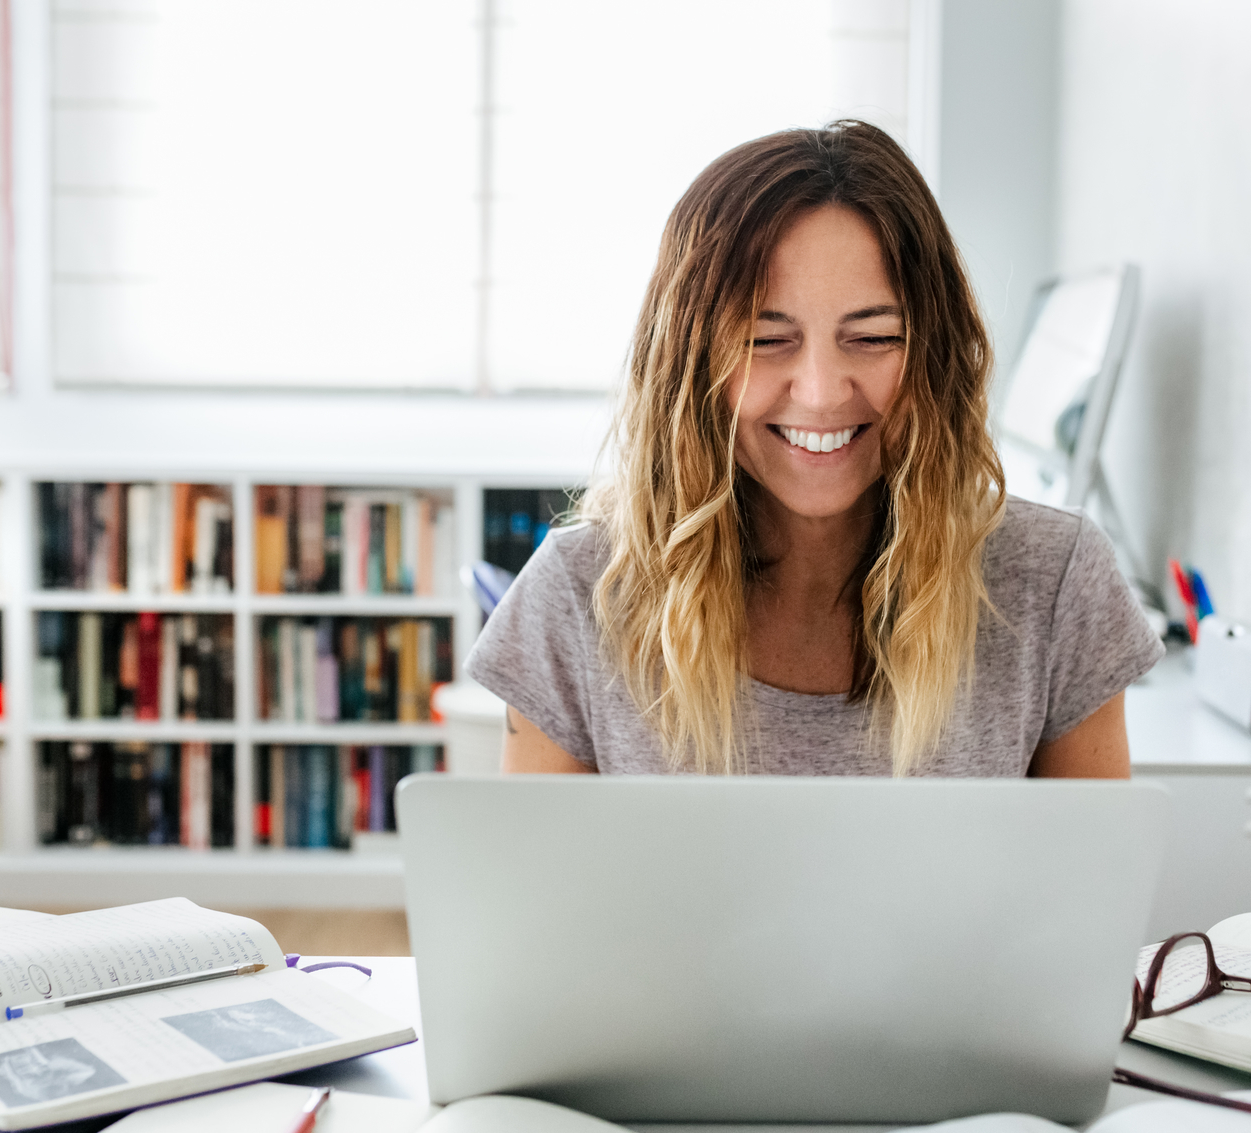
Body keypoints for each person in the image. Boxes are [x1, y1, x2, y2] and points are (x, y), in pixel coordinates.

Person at [468, 120, 1162, 777]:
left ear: (934, 355)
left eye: (874, 336)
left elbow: (1089, 894)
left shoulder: (1057, 583)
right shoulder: (576, 593)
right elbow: (532, 902)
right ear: (687, 365)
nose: (824, 392)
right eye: (765, 340)